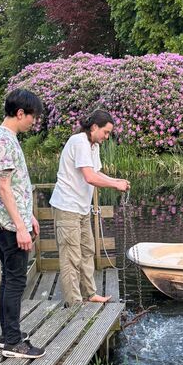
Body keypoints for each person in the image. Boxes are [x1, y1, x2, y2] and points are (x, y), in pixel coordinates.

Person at [50, 109, 130, 307]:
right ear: (94, 127)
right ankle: (74, 303)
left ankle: (90, 294)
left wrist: (117, 180)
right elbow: (90, 177)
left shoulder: (93, 145)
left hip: (82, 208)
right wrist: (115, 185)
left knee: (87, 251)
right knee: (71, 257)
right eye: (106, 132)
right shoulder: (79, 142)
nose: (107, 136)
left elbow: (97, 172)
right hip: (67, 207)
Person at [0, 88, 45, 359]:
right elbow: (3, 188)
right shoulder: (3, 141)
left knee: (9, 280)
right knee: (15, 282)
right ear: (20, 113)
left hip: (12, 221)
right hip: (9, 226)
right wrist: (20, 227)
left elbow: (17, 187)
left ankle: (7, 335)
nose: (34, 122)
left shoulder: (8, 138)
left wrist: (29, 215)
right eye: (32, 117)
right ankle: (12, 342)